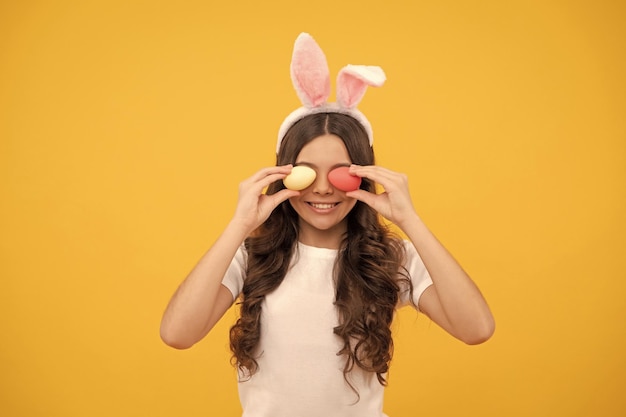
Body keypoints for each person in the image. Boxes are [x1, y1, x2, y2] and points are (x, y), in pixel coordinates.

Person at [160, 33, 495, 417]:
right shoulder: (253, 256)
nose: (321, 188)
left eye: (340, 174)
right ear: (284, 173)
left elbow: (476, 329)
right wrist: (239, 224)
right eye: (307, 172)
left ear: (364, 175)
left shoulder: (389, 258)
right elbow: (177, 334)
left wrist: (409, 219)